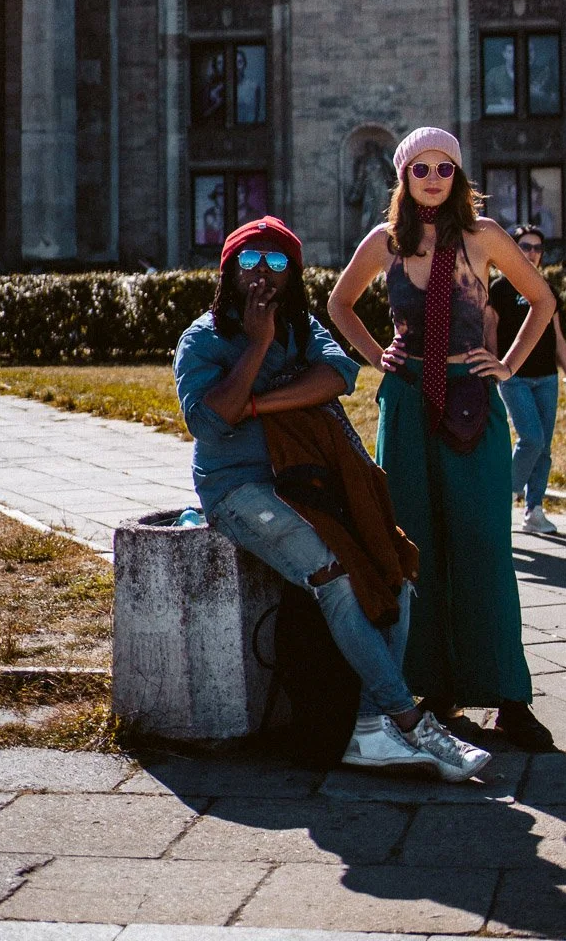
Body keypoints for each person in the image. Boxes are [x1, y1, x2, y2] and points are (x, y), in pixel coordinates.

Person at [174, 214, 490, 782]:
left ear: (293, 275)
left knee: (393, 567)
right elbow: (209, 419)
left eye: (276, 263)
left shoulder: (303, 327)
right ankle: (410, 720)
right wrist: (259, 345)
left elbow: (338, 376)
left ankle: (370, 731)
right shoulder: (203, 337)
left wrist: (256, 404)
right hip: (240, 489)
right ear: (228, 272)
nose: (262, 276)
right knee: (334, 575)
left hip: (311, 484)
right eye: (249, 262)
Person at [329, 126, 558, 752]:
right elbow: (339, 303)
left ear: (458, 177)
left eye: (445, 168)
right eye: (420, 169)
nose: (433, 178)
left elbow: (541, 300)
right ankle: (431, 689)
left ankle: (511, 698)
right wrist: (380, 357)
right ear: (403, 177)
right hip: (406, 404)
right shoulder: (384, 242)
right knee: (413, 546)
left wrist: (505, 365)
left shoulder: (482, 238)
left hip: (470, 401)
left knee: (484, 543)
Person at [485, 224, 566, 536]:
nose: (531, 253)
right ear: (513, 250)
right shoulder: (498, 290)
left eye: (537, 248)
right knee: (532, 438)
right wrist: (494, 370)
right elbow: (489, 333)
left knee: (545, 447)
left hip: (547, 378)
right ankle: (502, 499)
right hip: (513, 377)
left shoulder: (545, 289)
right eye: (525, 247)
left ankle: (534, 510)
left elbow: (558, 338)